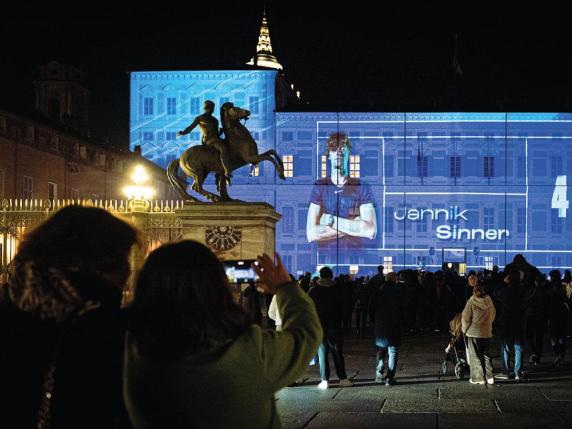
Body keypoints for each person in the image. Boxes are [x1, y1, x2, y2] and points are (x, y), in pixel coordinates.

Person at [124, 244, 322, 428]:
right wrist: (285, 287)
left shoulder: (130, 351)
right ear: (217, 288)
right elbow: (305, 333)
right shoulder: (248, 353)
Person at [0, 206, 139, 429]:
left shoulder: (11, 302)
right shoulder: (97, 324)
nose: (129, 269)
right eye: (124, 256)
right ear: (98, 262)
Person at [306, 132, 377, 248]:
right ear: (329, 154)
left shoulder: (362, 186)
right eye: (334, 148)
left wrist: (330, 220)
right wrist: (356, 225)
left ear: (349, 154)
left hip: (356, 254)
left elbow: (370, 230)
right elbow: (311, 233)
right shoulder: (320, 186)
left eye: (343, 148)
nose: (338, 152)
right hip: (324, 257)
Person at [309, 266, 353, 389]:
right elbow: (345, 307)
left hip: (319, 326)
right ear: (332, 276)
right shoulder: (338, 289)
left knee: (322, 353)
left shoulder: (314, 291)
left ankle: (324, 380)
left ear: (321, 276)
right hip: (335, 325)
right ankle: (343, 378)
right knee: (338, 353)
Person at [178, 99, 233, 184]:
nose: (212, 109)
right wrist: (183, 132)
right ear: (207, 107)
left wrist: (221, 131)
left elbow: (216, 133)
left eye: (213, 107)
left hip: (216, 138)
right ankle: (227, 171)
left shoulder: (215, 120)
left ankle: (221, 172)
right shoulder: (200, 118)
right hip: (209, 140)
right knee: (223, 148)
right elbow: (190, 127)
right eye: (211, 107)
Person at [370, 272, 403, 386]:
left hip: (381, 326)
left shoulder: (379, 292)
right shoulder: (399, 292)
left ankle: (379, 374)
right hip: (394, 325)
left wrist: (375, 321)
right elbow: (404, 309)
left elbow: (371, 308)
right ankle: (389, 377)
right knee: (393, 351)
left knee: (381, 350)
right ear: (395, 279)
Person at [494, 270, 527, 380]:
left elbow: (495, 293)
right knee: (518, 348)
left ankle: (505, 372)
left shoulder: (504, 291)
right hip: (519, 322)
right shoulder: (523, 291)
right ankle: (518, 372)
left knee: (506, 348)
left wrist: (504, 283)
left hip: (506, 323)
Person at [461, 282, 496, 385]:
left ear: (475, 290)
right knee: (486, 354)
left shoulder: (471, 301)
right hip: (487, 331)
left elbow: (466, 318)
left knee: (475, 355)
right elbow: (493, 314)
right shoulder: (489, 301)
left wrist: (464, 330)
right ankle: (490, 377)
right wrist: (488, 324)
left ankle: (478, 378)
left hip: (474, 332)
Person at [524, 274, 549, 365]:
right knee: (539, 339)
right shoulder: (545, 292)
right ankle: (537, 356)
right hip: (541, 318)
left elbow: (528, 302)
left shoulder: (532, 291)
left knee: (529, 336)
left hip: (532, 317)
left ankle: (535, 354)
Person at [547, 270, 569, 366]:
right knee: (561, 337)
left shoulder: (550, 288)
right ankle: (561, 357)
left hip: (553, 314)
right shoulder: (562, 287)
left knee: (553, 337)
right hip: (562, 314)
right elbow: (566, 301)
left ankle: (557, 355)